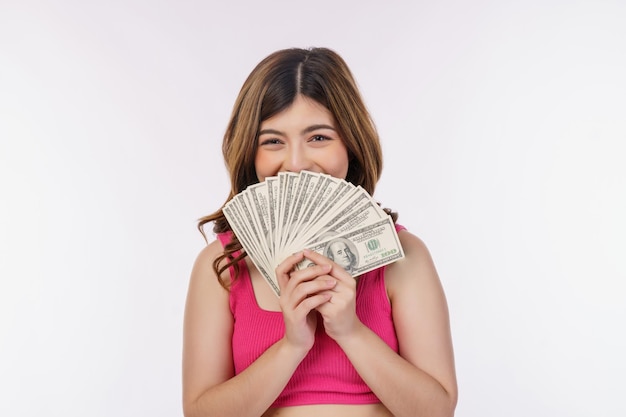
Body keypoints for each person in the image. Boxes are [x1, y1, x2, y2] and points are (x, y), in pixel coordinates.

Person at [182, 47, 457, 417]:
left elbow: (436, 411)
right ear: (250, 151)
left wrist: (350, 330)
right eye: (273, 141)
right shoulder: (221, 264)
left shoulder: (403, 255)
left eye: (319, 138)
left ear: (351, 143)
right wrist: (293, 345)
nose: (296, 163)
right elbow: (201, 413)